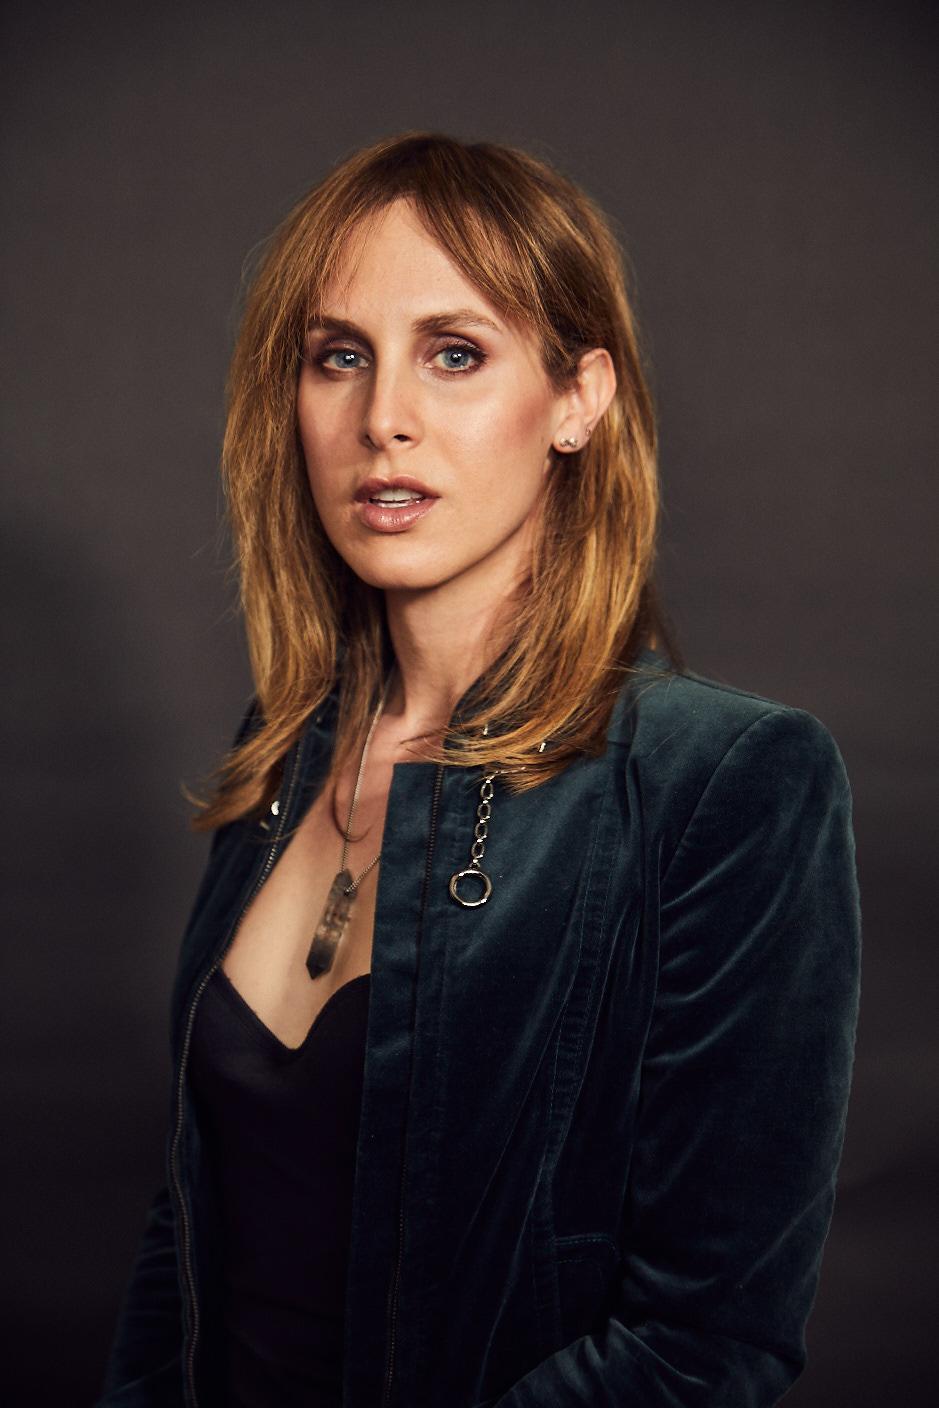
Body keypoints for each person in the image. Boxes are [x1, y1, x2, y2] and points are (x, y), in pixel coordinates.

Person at [96, 131, 861, 1408]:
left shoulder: (727, 786)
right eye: (340, 356)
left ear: (579, 399)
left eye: (455, 354)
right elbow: (189, 1237)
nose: (382, 416)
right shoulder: (281, 751)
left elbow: (704, 1345)